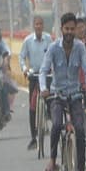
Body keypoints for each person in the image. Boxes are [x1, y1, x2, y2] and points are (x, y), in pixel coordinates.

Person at [41, 12, 86, 171]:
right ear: (61, 29)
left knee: (80, 130)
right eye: (67, 29)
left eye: (72, 29)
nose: (70, 32)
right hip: (57, 96)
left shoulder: (80, 48)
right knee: (56, 125)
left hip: (76, 95)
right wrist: (44, 89)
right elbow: (43, 70)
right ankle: (52, 160)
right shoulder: (53, 48)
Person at [20, 16, 54, 149]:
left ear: (43, 25)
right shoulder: (28, 41)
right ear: (33, 26)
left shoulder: (49, 39)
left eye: (40, 24)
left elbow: (53, 55)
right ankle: (33, 137)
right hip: (34, 76)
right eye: (36, 24)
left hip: (47, 76)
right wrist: (24, 69)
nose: (39, 26)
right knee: (32, 106)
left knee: (52, 101)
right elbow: (22, 57)